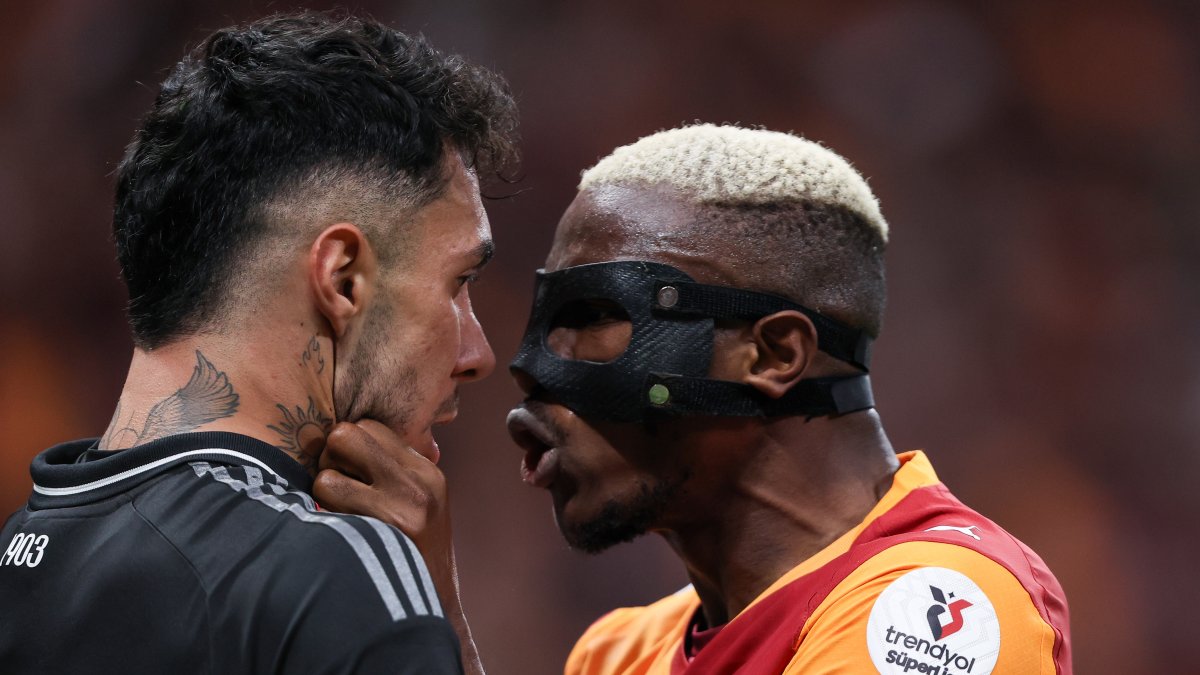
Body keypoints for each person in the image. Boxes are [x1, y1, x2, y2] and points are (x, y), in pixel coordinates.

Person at [0, 12, 517, 675]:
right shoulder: (331, 574)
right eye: (457, 283)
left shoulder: (20, 554)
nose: (478, 355)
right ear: (343, 280)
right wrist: (436, 615)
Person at [506, 124, 1071, 674]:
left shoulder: (937, 608)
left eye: (595, 316)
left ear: (773, 355)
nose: (532, 371)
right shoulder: (617, 652)